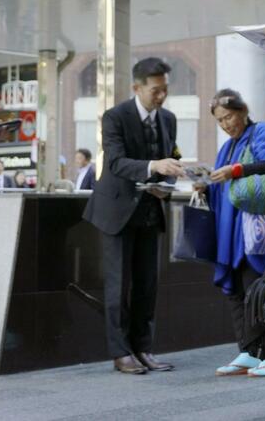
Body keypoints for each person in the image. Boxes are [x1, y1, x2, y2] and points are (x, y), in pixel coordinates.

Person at [83, 57, 185, 376]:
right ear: (136, 88)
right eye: (155, 90)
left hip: (150, 209)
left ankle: (143, 348)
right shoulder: (115, 117)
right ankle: (120, 352)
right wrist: (153, 167)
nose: (161, 96)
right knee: (118, 286)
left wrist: (167, 183)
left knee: (147, 285)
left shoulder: (168, 119)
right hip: (116, 210)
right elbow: (115, 162)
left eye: (165, 90)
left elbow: (171, 159)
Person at [195, 89, 265, 378]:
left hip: (253, 232)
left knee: (259, 291)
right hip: (229, 231)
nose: (226, 124)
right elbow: (223, 187)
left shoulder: (260, 132)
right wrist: (204, 186)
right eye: (220, 120)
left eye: (229, 116)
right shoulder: (227, 146)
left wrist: (236, 170)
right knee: (235, 290)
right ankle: (247, 351)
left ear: (243, 111)